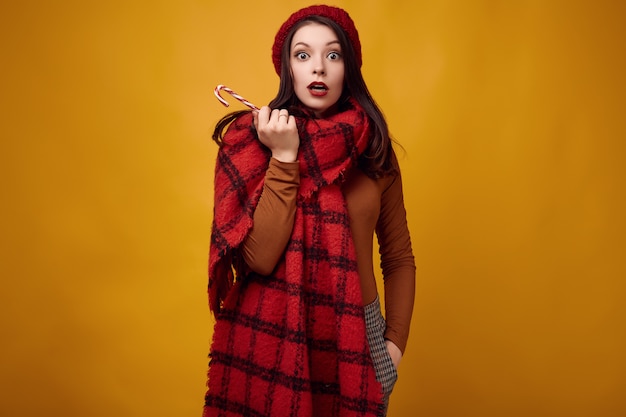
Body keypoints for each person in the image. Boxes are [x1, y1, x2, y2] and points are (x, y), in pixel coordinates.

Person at [204, 5, 415, 417]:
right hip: (272, 334)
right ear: (288, 68)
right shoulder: (253, 141)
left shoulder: (373, 150)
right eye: (303, 55)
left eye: (332, 55)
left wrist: (393, 345)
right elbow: (260, 259)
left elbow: (399, 257)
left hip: (357, 336)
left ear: (347, 67)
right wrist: (284, 156)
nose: (318, 67)